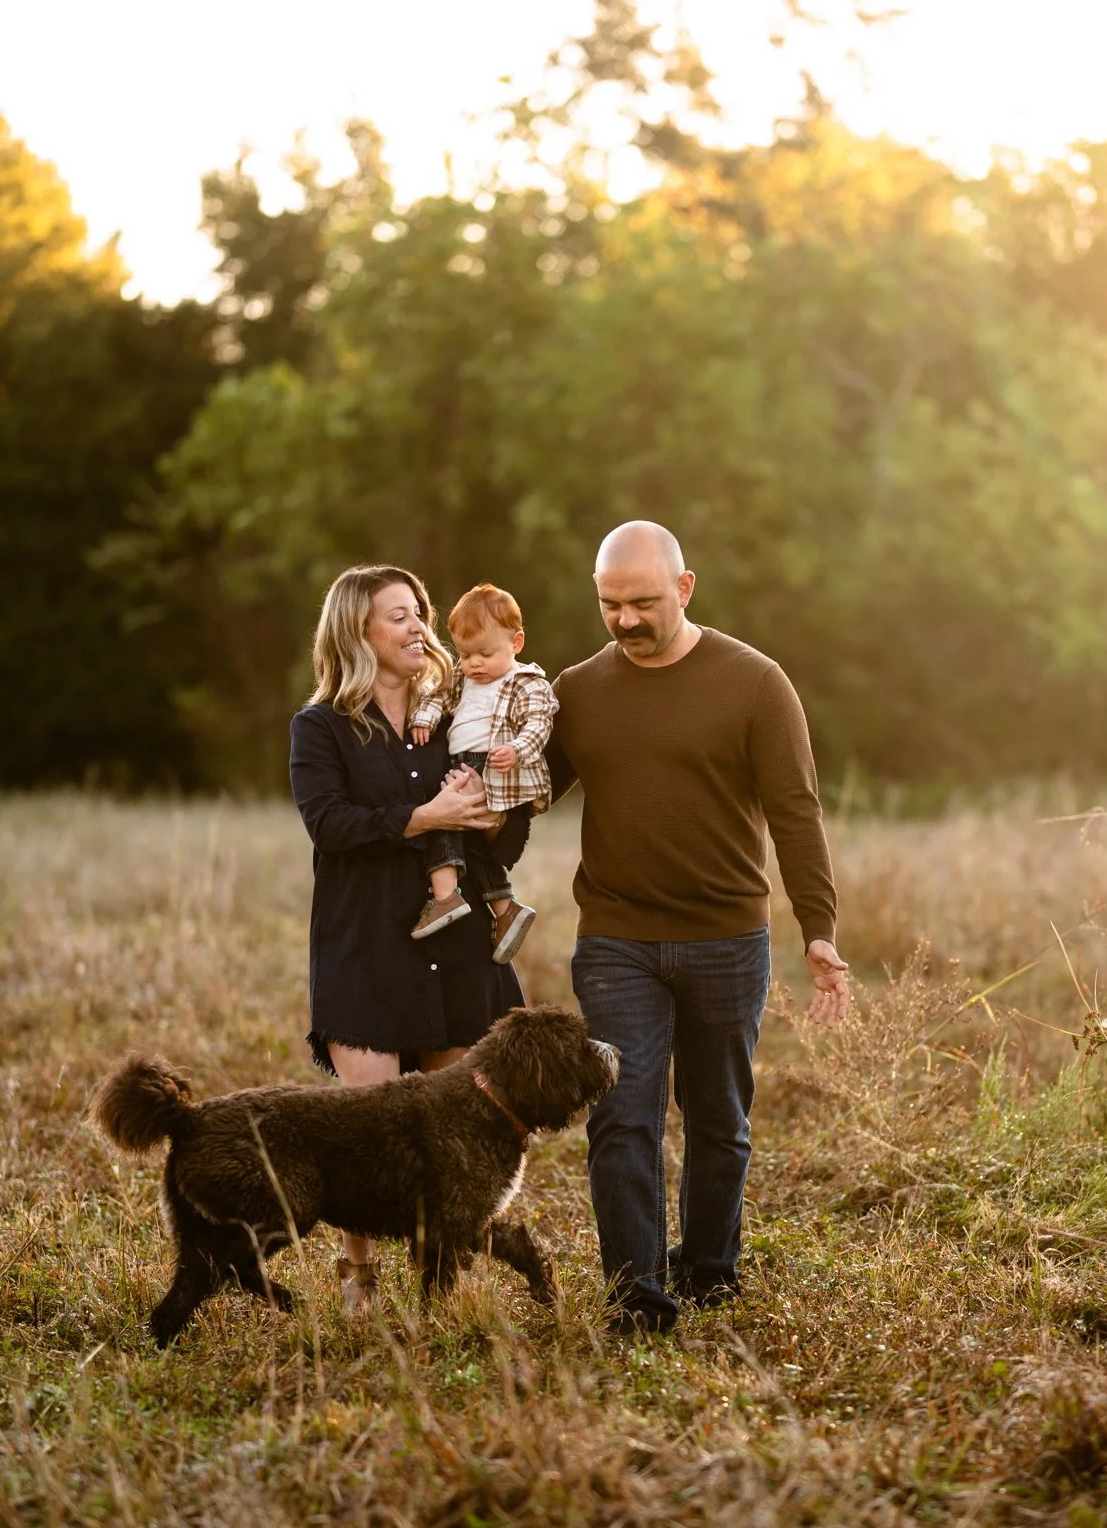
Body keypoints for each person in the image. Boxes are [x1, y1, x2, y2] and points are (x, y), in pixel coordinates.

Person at [548, 521, 851, 1333]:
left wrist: (817, 926)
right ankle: (637, 1297)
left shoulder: (754, 683)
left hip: (726, 939)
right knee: (623, 1113)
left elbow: (795, 811)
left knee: (718, 1116)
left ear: (683, 589)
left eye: (642, 602)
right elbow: (521, 798)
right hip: (614, 937)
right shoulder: (576, 691)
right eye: (609, 605)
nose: (625, 621)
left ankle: (710, 1271)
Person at [289, 564, 528, 1316]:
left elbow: (506, 831)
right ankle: (358, 1276)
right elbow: (328, 824)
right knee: (366, 1125)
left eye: (418, 611)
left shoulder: (460, 716)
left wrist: (490, 815)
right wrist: (424, 819)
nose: (417, 625)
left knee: (459, 1128)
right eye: (397, 615)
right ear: (356, 629)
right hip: (364, 944)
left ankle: (444, 1278)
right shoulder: (321, 725)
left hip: (454, 944)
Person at [409, 582, 557, 966]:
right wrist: (425, 716)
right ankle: (505, 910)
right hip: (463, 762)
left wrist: (518, 749)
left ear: (517, 642)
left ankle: (444, 898)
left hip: (496, 765)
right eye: (464, 653)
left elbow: (539, 723)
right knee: (473, 846)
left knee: (444, 821)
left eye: (485, 654)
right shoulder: (464, 676)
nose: (473, 663)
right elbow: (438, 694)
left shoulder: (527, 682)